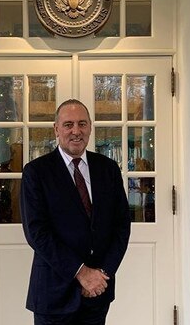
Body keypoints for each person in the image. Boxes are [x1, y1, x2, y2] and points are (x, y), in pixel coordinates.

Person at [20, 99, 131, 325]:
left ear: (90, 127)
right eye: (68, 124)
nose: (76, 131)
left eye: (82, 124)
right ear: (56, 129)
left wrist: (101, 275)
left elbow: (121, 226)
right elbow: (36, 233)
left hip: (97, 293)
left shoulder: (108, 169)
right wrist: (82, 274)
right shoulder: (37, 172)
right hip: (54, 293)